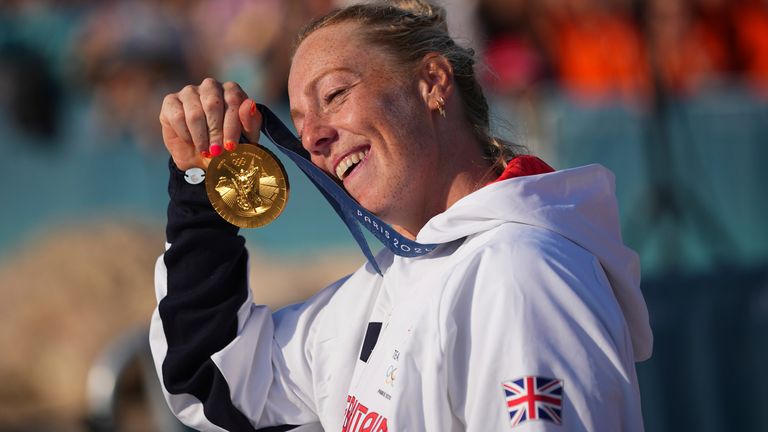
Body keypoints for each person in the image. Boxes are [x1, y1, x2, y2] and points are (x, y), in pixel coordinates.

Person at [150, 0, 653, 431]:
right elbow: (217, 385)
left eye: (335, 95)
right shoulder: (392, 282)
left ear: (432, 82)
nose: (312, 137)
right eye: (300, 123)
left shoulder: (521, 274)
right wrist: (200, 185)